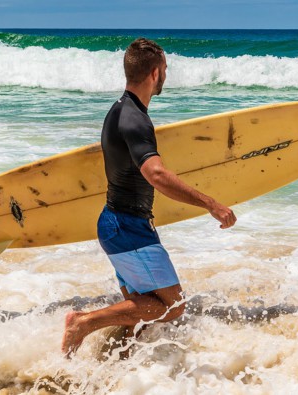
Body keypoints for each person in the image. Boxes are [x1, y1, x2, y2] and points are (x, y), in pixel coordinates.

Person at [61, 38, 236, 357]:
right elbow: (155, 174)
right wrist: (211, 203)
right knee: (172, 308)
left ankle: (107, 374)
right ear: (155, 73)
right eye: (166, 69)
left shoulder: (119, 111)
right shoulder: (135, 119)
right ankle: (82, 324)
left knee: (140, 314)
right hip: (127, 228)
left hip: (118, 224)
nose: (166, 75)